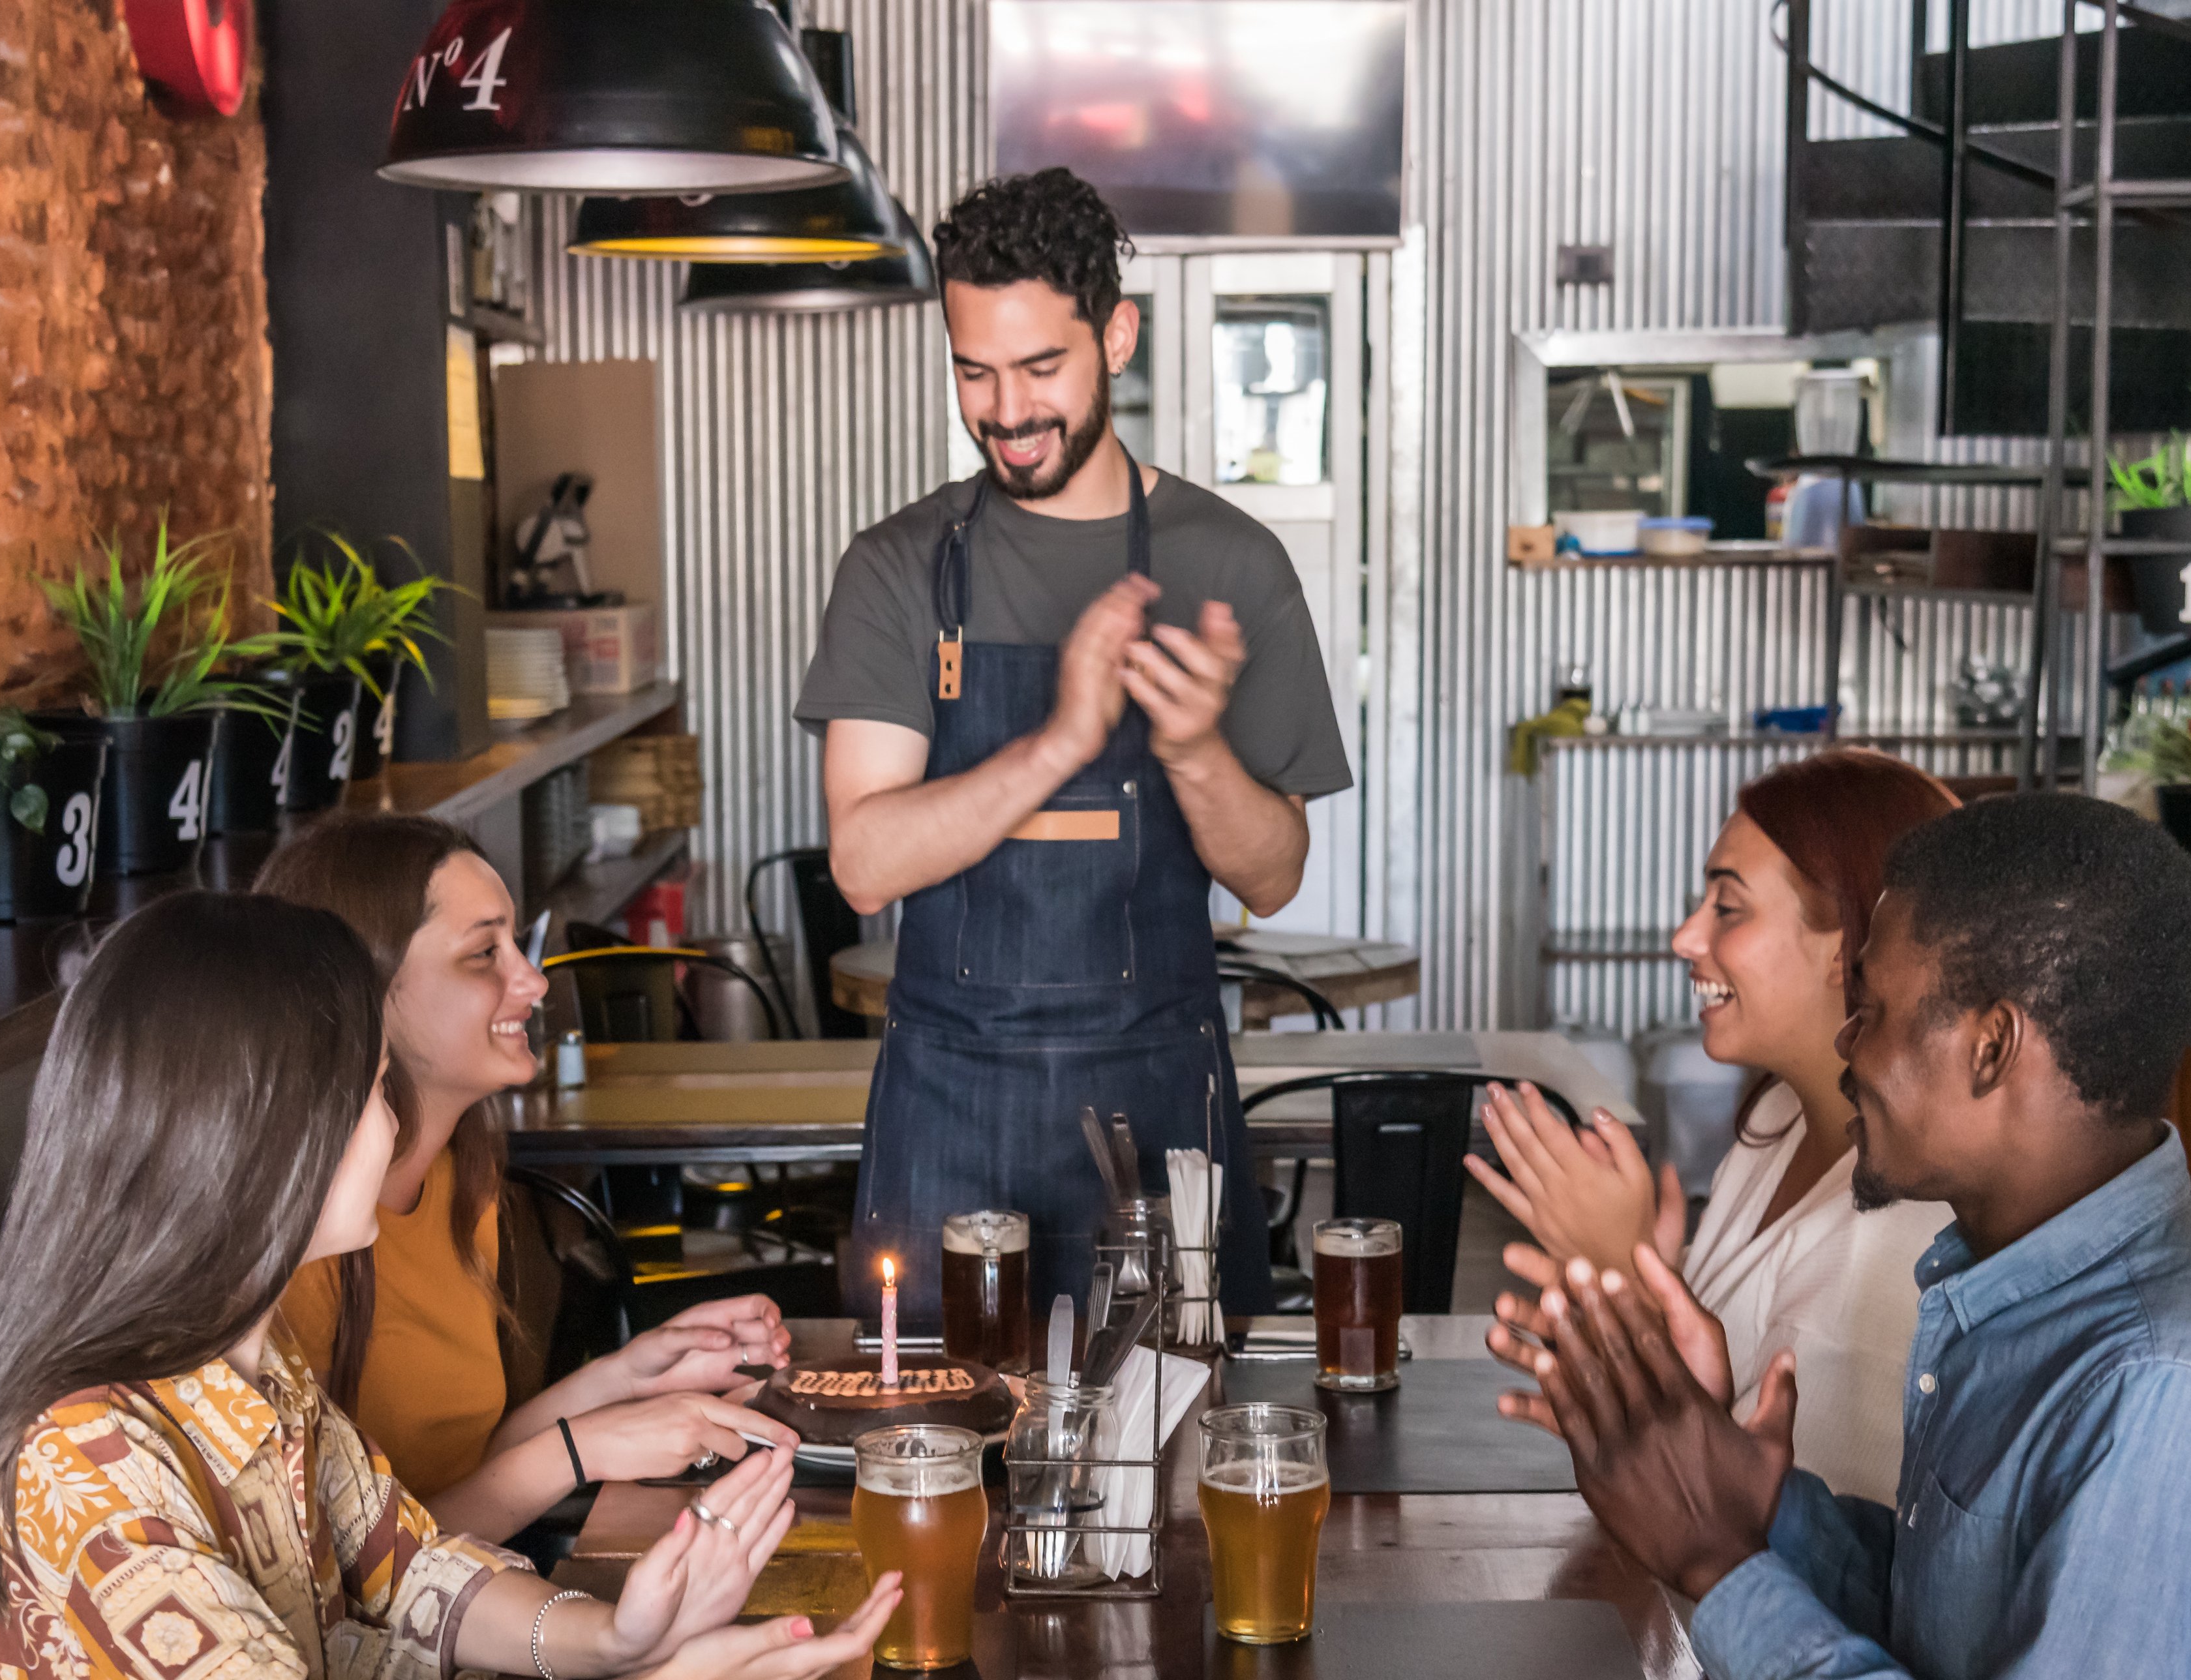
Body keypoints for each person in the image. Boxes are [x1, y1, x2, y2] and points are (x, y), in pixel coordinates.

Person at [0, 892, 899, 1680]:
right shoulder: (94, 1477)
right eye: (378, 1089)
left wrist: (617, 1641)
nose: (395, 1124)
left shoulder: (254, 1367)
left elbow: (407, 1565)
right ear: (265, 1135)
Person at [795, 166, 1353, 1323]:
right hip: (947, 1109)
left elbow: (1271, 874)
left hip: (1156, 1112)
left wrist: (1192, 746)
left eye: (1040, 368)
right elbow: (864, 861)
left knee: (1174, 1467)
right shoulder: (899, 568)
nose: (1004, 410)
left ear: (1116, 335)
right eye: (973, 371)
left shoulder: (1228, 563)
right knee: (935, 1458)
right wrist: (1058, 741)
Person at [1514, 794, 2191, 1679]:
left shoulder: (2151, 1392)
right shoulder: (2008, 1285)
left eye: (1870, 1011)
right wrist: (1761, 1509)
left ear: (1992, 1047)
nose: (1847, 1045)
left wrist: (1719, 1562)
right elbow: (1941, 1623)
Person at [259, 814, 798, 1544]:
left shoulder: (462, 1181)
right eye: (485, 952)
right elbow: (352, 1581)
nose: (534, 981)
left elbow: (467, 1463)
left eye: (519, 943)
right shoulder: (295, 1252)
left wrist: (633, 1374)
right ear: (367, 988)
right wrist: (583, 1449)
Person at [1469, 749, 1954, 1500]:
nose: (1684, 938)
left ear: (1852, 942)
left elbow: (1802, 1549)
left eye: (1728, 908)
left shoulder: (1906, 1236)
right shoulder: (1777, 1117)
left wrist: (1629, 1273)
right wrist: (1639, 1300)